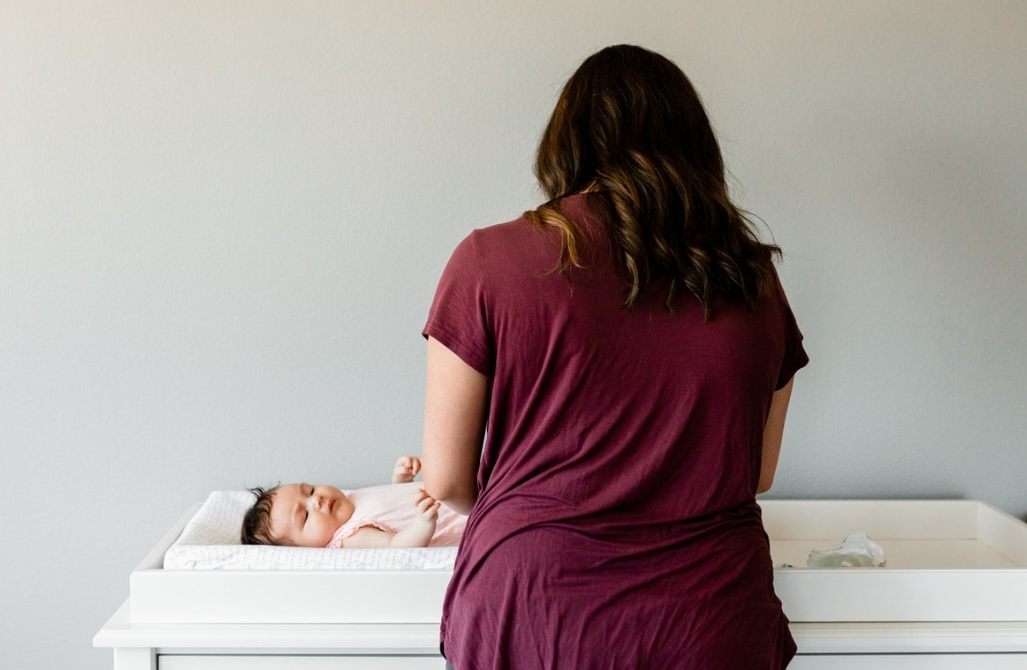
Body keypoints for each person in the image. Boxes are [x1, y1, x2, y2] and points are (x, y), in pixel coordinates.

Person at [419, 44, 808, 669]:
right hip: (708, 621)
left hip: (533, 609)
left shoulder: (488, 262)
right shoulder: (751, 279)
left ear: (566, 144)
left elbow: (445, 480)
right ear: (695, 147)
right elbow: (755, 472)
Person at [240, 456, 467, 548]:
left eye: (309, 490)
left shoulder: (351, 499)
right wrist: (423, 523)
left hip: (457, 492)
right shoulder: (350, 536)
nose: (316, 500)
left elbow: (391, 508)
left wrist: (401, 480)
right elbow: (395, 545)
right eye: (306, 516)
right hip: (458, 517)